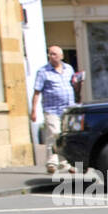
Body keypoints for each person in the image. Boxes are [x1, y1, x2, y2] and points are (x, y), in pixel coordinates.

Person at [31, 46, 80, 174]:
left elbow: (73, 85)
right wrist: (33, 110)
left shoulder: (68, 69)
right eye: (50, 54)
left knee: (64, 136)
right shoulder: (43, 72)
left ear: (61, 56)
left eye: (54, 54)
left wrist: (78, 85)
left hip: (68, 109)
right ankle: (53, 162)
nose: (51, 56)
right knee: (55, 134)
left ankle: (64, 162)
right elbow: (37, 92)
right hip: (51, 109)